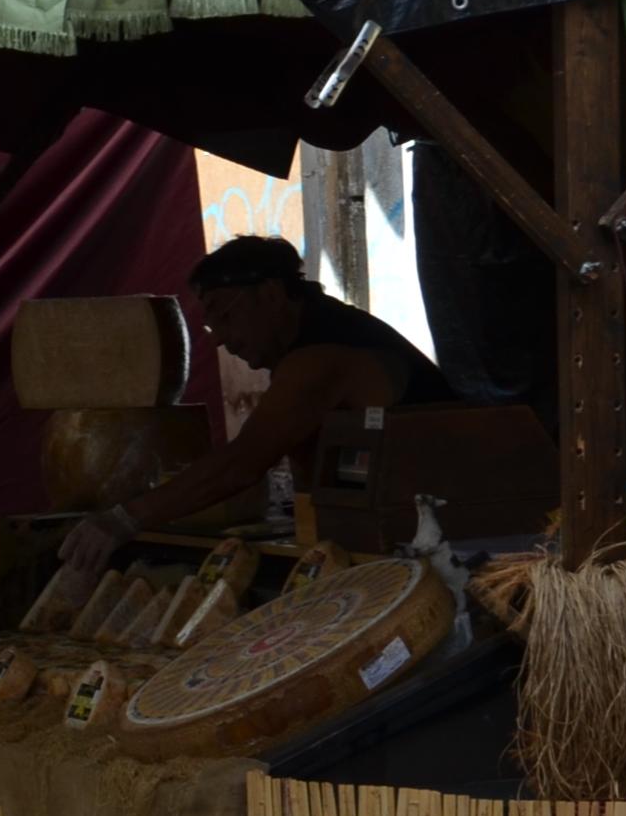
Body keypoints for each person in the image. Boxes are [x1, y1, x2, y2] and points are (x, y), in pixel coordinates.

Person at [59, 233, 458, 567]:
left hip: (451, 535)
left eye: (226, 317)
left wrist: (124, 519)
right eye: (212, 326)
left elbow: (242, 463)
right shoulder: (313, 337)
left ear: (270, 293)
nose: (219, 339)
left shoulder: (322, 356)